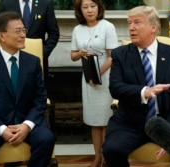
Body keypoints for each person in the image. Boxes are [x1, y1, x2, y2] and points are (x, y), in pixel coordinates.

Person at [102, 6, 170, 167]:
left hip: (169, 120)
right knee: (111, 150)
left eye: (137, 22)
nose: (131, 27)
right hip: (131, 122)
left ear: (153, 27)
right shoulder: (120, 54)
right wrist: (144, 92)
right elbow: (115, 88)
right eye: (129, 23)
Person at [0, 11, 54, 167]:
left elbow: (40, 98)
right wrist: (1, 129)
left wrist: (27, 125)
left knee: (46, 139)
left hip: (25, 120)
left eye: (24, 30)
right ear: (2, 36)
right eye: (18, 31)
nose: (23, 35)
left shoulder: (33, 62)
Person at [70, 0, 119, 166]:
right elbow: (73, 56)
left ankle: (106, 157)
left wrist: (98, 74)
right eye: (85, 7)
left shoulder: (107, 26)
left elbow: (113, 56)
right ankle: (97, 156)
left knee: (105, 120)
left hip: (104, 79)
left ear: (99, 7)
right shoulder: (78, 29)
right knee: (94, 121)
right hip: (88, 79)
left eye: (93, 6)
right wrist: (80, 53)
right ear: (80, 10)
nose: (89, 10)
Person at [0, 0, 60, 87]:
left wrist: (43, 52)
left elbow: (54, 33)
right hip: (12, 59)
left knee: (36, 91)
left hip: (37, 60)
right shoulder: (7, 3)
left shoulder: (45, 3)